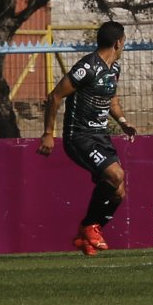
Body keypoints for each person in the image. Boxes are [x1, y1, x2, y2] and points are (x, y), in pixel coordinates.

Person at [37, 21, 137, 256]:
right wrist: (48, 133)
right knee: (115, 175)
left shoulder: (114, 69)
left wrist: (123, 122)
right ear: (118, 42)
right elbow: (54, 97)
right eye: (124, 41)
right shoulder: (87, 67)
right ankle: (88, 227)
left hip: (100, 137)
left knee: (119, 191)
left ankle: (87, 233)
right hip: (78, 136)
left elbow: (111, 101)